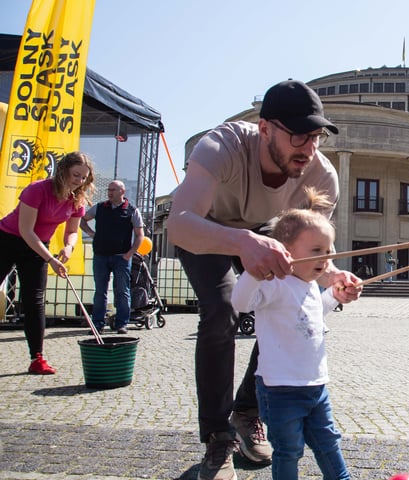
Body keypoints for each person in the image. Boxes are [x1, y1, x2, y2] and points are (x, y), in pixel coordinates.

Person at [166, 79, 362, 480]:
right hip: (207, 229)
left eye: (316, 137)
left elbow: (314, 260)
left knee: (288, 307)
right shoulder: (220, 147)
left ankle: (247, 410)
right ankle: (218, 439)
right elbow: (179, 225)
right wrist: (240, 242)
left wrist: (334, 280)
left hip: (268, 228)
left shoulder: (321, 177)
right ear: (265, 128)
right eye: (298, 136)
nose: (308, 149)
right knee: (221, 312)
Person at [231, 187, 354, 480]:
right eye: (316, 251)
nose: (325, 260)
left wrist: (335, 295)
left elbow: (313, 314)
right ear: (285, 250)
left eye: (328, 251)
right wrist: (253, 273)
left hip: (316, 386)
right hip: (279, 389)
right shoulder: (274, 283)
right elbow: (241, 302)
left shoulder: (310, 284)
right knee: (288, 450)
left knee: (328, 442)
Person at [0, 151, 95, 374]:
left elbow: (72, 231)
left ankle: (37, 358)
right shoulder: (37, 190)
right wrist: (51, 258)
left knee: (35, 301)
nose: (79, 181)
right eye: (76, 175)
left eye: (83, 177)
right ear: (63, 171)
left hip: (37, 247)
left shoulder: (77, 199)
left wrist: (68, 247)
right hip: (8, 239)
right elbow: (25, 230)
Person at [80, 180, 144, 334]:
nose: (109, 192)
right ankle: (98, 324)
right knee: (100, 291)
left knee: (122, 291)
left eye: (113, 190)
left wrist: (130, 253)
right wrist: (91, 233)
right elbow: (82, 220)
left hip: (121, 257)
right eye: (109, 189)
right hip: (101, 256)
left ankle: (121, 324)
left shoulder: (132, 210)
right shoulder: (100, 207)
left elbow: (140, 235)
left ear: (122, 192)